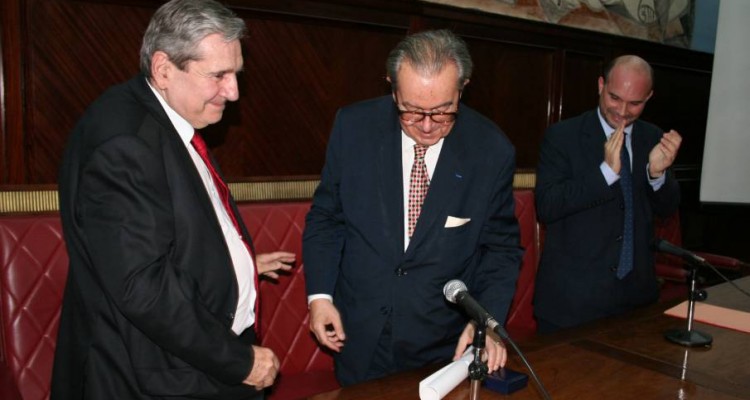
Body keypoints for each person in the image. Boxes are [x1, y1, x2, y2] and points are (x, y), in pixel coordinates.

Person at [51, 0, 295, 398]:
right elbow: (143, 286)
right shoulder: (126, 142)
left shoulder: (167, 115)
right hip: (155, 378)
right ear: (164, 69)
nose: (233, 91)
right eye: (219, 75)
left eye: (235, 74)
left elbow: (170, 230)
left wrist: (234, 264)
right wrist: (239, 361)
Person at [302, 29, 523, 386]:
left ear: (462, 87)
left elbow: (501, 250)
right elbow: (327, 219)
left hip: (441, 343)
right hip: (360, 335)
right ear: (392, 86)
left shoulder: (491, 150)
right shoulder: (353, 128)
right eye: (411, 111)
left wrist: (486, 322)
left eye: (441, 113)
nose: (425, 126)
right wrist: (319, 296)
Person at [533, 55, 682, 333]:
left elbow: (667, 209)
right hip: (572, 304)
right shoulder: (563, 136)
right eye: (615, 98)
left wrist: (658, 175)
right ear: (601, 85)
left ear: (649, 97)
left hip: (636, 299)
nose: (623, 110)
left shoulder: (652, 138)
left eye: (635, 103)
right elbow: (548, 206)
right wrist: (605, 174)